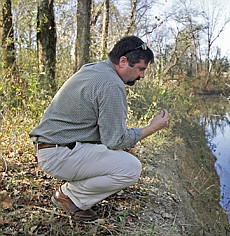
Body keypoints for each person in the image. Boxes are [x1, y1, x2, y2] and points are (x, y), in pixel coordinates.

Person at [29, 36, 170, 222]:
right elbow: (115, 140)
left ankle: (74, 191)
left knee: (119, 156)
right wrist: (152, 128)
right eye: (141, 69)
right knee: (131, 168)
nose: (142, 75)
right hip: (59, 155)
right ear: (123, 61)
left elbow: (105, 134)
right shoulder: (111, 85)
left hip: (53, 149)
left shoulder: (94, 68)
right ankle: (70, 196)